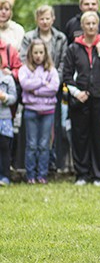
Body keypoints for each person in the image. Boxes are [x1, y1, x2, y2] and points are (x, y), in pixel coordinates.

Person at [63, 11, 100, 186]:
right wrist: (76, 92)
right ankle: (82, 174)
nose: (90, 27)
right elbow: (66, 75)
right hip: (80, 99)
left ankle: (99, 175)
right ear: (82, 26)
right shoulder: (73, 48)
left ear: (98, 25)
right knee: (80, 137)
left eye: (93, 23)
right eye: (87, 23)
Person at [20, 5, 69, 173]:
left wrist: (54, 80)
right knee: (33, 138)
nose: (45, 21)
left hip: (52, 92)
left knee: (53, 130)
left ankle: (51, 163)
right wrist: (41, 84)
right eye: (41, 18)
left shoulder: (61, 38)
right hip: (32, 97)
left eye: (48, 18)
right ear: (37, 20)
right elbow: (23, 63)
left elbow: (63, 62)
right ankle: (32, 170)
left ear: (53, 19)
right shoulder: (29, 37)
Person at [19, 39, 60, 184]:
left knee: (44, 144)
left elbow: (54, 88)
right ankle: (31, 175)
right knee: (31, 144)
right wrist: (43, 83)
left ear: (45, 54)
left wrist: (34, 90)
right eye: (35, 52)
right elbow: (25, 84)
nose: (38, 55)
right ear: (30, 53)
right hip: (31, 110)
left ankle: (42, 175)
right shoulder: (24, 69)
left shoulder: (52, 70)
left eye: (41, 52)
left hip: (48, 112)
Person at [0, 61, 17, 186]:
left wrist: (4, 97)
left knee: (4, 148)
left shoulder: (7, 79)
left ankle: (5, 176)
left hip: (4, 119)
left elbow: (13, 98)